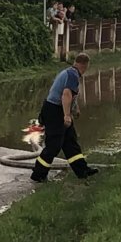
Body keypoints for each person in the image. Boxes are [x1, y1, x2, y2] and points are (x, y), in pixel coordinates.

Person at [30, 53, 99, 183]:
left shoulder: (69, 72)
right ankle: (38, 174)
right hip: (54, 111)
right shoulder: (73, 75)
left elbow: (70, 95)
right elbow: (66, 94)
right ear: (85, 65)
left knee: (70, 142)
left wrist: (75, 108)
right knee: (54, 145)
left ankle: (82, 171)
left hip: (55, 109)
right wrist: (67, 115)